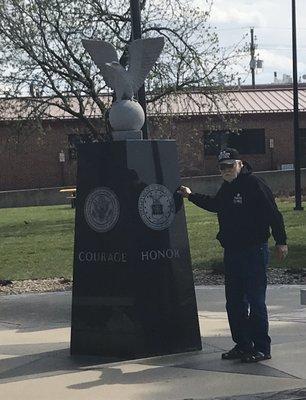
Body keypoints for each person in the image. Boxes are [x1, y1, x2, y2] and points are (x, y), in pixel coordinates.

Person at [178, 148, 288, 363]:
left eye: (230, 165)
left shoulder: (255, 184)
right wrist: (190, 196)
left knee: (256, 301)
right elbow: (215, 205)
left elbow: (273, 214)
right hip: (233, 252)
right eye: (222, 167)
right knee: (234, 302)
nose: (226, 170)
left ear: (241, 164)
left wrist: (281, 241)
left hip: (254, 251)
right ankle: (243, 344)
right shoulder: (227, 188)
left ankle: (262, 348)